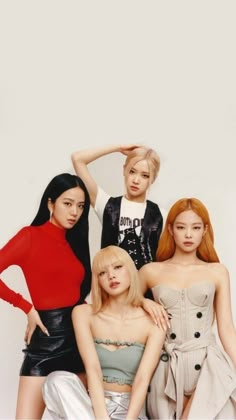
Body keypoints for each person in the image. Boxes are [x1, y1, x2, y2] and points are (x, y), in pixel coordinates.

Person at [0, 173, 91, 419]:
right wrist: (26, 307)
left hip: (78, 341)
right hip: (45, 339)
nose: (75, 212)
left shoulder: (76, 243)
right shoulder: (29, 236)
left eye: (80, 206)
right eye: (67, 203)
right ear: (50, 203)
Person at [139, 197, 236, 419]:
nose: (189, 234)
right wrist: (143, 301)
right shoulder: (150, 271)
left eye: (196, 227)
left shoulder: (217, 271)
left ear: (205, 230)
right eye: (181, 227)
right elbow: (121, 302)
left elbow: (227, 328)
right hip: (165, 370)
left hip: (209, 368)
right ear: (171, 230)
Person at [42, 245, 166, 420]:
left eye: (117, 267)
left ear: (130, 270)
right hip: (92, 407)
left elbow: (143, 379)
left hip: (130, 410)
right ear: (97, 280)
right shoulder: (83, 314)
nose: (111, 276)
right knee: (56, 380)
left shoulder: (153, 321)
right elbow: (92, 369)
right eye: (102, 273)